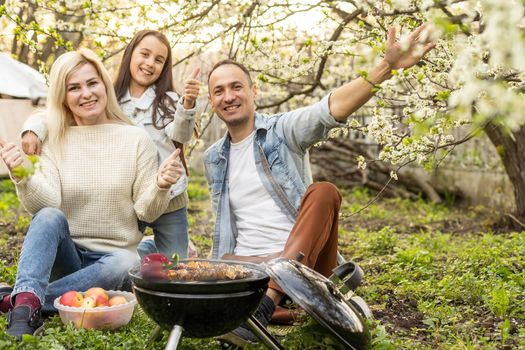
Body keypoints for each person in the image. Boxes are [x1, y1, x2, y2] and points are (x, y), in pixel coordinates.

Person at [204, 24, 435, 346]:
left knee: (324, 192)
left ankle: (269, 302)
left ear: (253, 91)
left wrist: (386, 68)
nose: (228, 96)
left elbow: (330, 109)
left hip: (304, 264)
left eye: (236, 87)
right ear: (212, 101)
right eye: (218, 91)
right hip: (247, 268)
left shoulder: (282, 131)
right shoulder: (214, 157)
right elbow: (223, 224)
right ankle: (285, 307)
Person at [0, 48, 183, 339]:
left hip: (112, 263)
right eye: (74, 87)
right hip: (68, 259)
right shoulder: (54, 138)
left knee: (127, 261)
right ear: (63, 96)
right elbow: (46, 206)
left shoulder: (135, 139)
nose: (86, 93)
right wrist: (22, 176)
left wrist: (160, 185)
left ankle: (24, 301)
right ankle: (28, 306)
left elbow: (146, 212)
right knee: (48, 216)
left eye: (92, 83)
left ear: (104, 85)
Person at [21, 29, 201, 259]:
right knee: (127, 253)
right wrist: (33, 129)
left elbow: (181, 134)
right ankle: (145, 249)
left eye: (159, 60)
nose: (150, 63)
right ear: (129, 54)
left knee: (175, 264)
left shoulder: (168, 100)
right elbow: (56, 112)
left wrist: (187, 103)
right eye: (144, 54)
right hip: (132, 195)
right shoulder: (108, 95)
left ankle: (163, 250)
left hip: (170, 195)